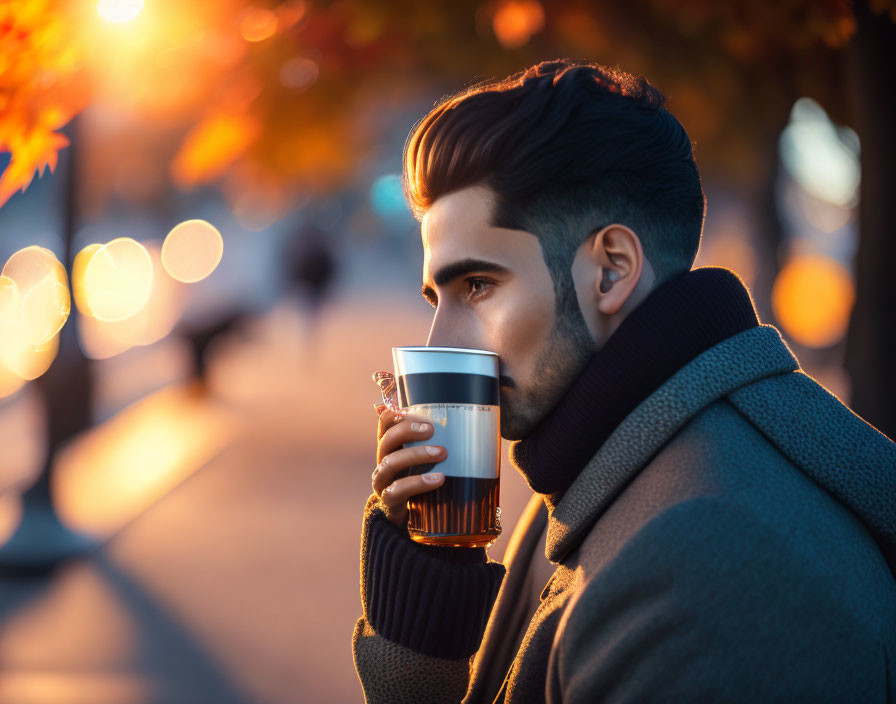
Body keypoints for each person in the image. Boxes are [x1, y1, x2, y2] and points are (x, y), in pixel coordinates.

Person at [352, 59, 896, 703]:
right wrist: (427, 597)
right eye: (435, 296)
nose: (441, 341)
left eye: (478, 285)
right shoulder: (599, 469)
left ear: (610, 271)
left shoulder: (707, 580)